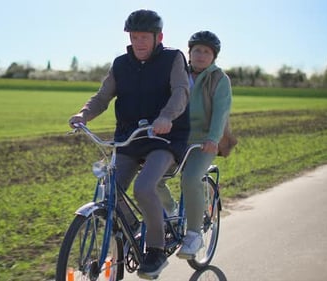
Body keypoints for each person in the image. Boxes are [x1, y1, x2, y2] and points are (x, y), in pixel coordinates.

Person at [68, 9, 190, 279]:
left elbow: (181, 91)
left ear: (159, 37)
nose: (139, 42)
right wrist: (83, 114)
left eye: (144, 37)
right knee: (109, 189)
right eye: (134, 37)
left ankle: (156, 250)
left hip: (164, 138)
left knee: (145, 186)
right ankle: (135, 227)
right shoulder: (121, 64)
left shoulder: (173, 58)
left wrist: (166, 116)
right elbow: (102, 97)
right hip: (129, 138)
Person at [175, 31, 232, 259]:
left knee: (190, 179)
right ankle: (170, 210)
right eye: (196, 50)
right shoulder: (179, 74)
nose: (200, 55)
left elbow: (221, 112)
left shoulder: (219, 79)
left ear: (213, 57)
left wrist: (213, 138)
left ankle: (194, 234)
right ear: (189, 53)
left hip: (205, 141)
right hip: (178, 138)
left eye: (206, 51)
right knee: (152, 176)